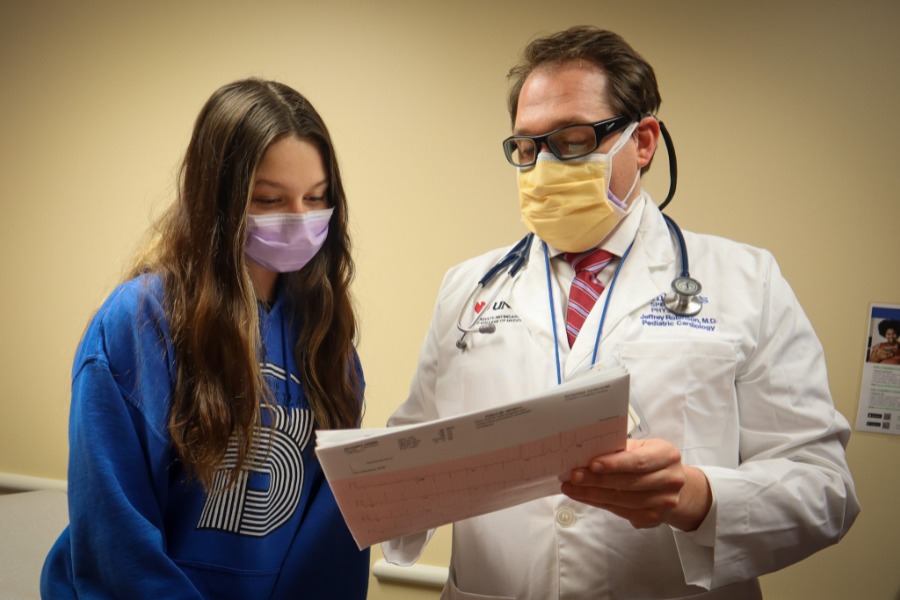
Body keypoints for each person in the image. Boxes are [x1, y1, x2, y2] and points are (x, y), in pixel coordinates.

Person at [382, 26, 859, 599]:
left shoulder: (746, 280)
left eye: (574, 141)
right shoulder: (467, 289)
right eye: (528, 148)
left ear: (644, 141)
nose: (543, 168)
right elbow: (411, 454)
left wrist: (696, 497)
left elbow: (823, 488)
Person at [41, 78, 369, 599]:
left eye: (317, 197)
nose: (301, 219)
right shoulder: (139, 322)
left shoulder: (327, 343)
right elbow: (117, 539)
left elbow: (329, 542)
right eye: (269, 199)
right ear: (218, 200)